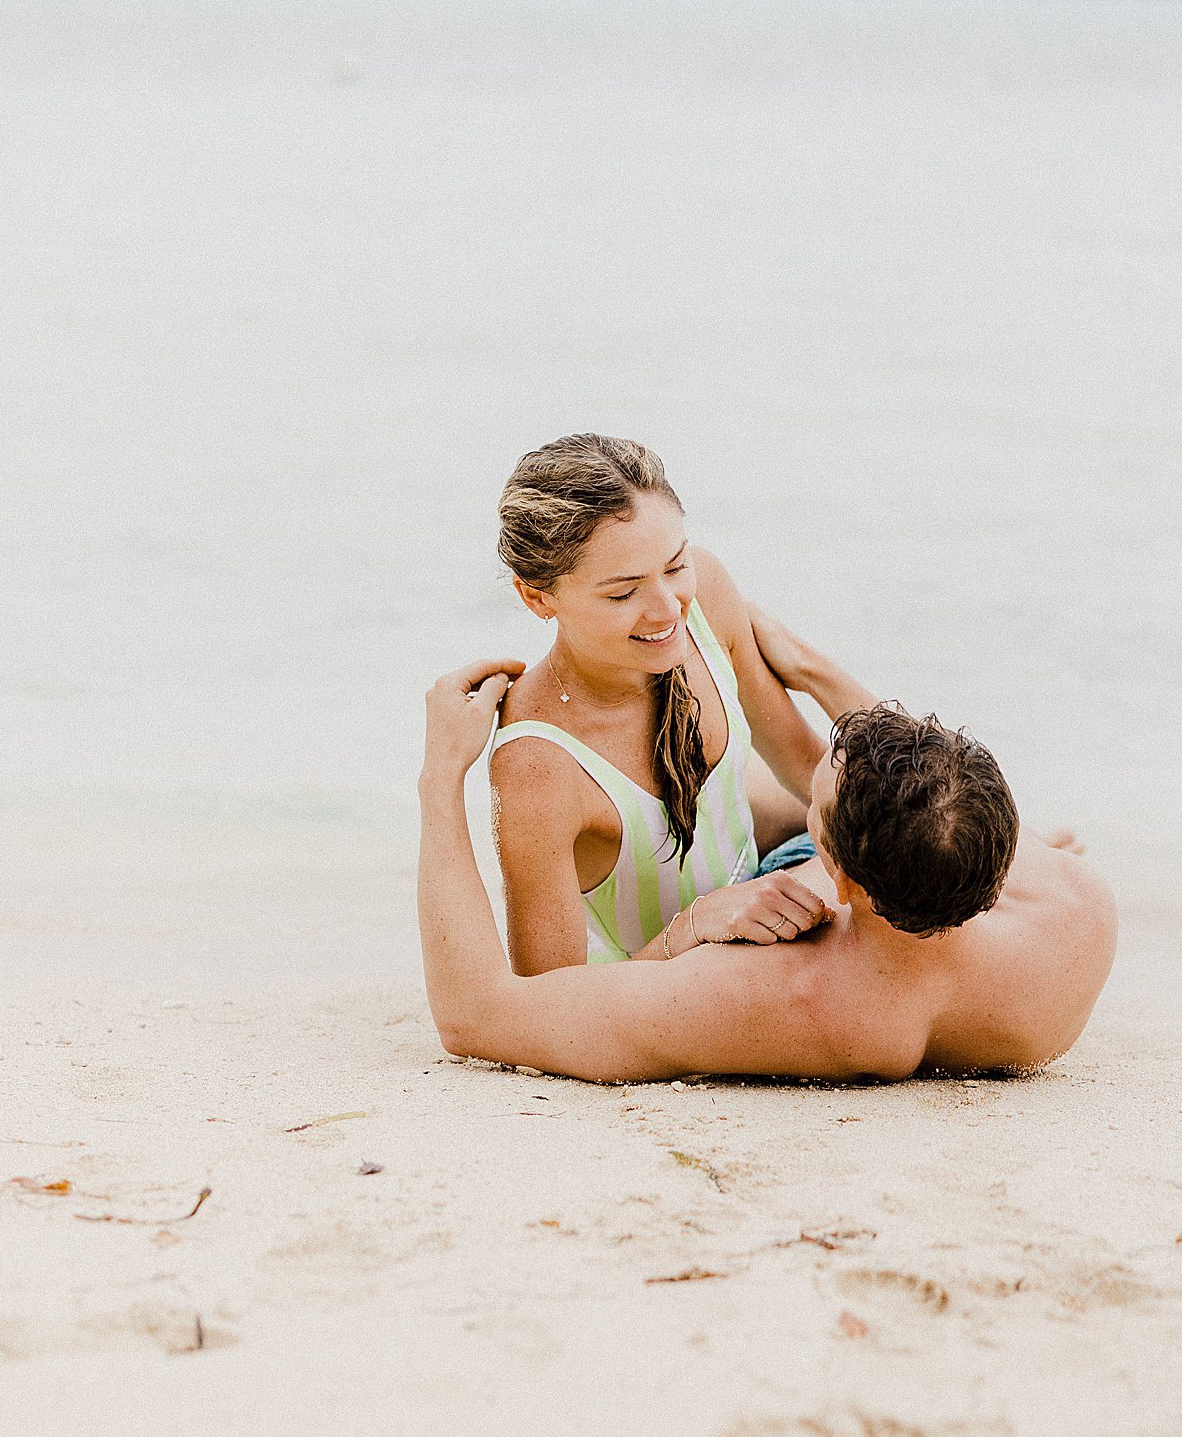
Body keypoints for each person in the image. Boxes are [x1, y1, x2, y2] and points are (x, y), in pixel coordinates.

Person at [416, 612, 1118, 1083]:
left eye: (818, 807)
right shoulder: (1076, 905)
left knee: (731, 794)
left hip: (814, 931)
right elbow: (935, 804)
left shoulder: (779, 995)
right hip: (908, 912)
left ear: (838, 878)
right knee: (892, 811)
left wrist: (441, 777)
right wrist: (810, 669)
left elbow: (479, 1014)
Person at [487, 434, 841, 974]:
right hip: (666, 982)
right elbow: (550, 1002)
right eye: (622, 593)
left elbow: (805, 766)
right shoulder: (536, 765)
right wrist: (699, 923)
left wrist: (815, 671)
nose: (666, 609)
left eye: (674, 567)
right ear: (537, 596)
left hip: (771, 885)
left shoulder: (706, 598)